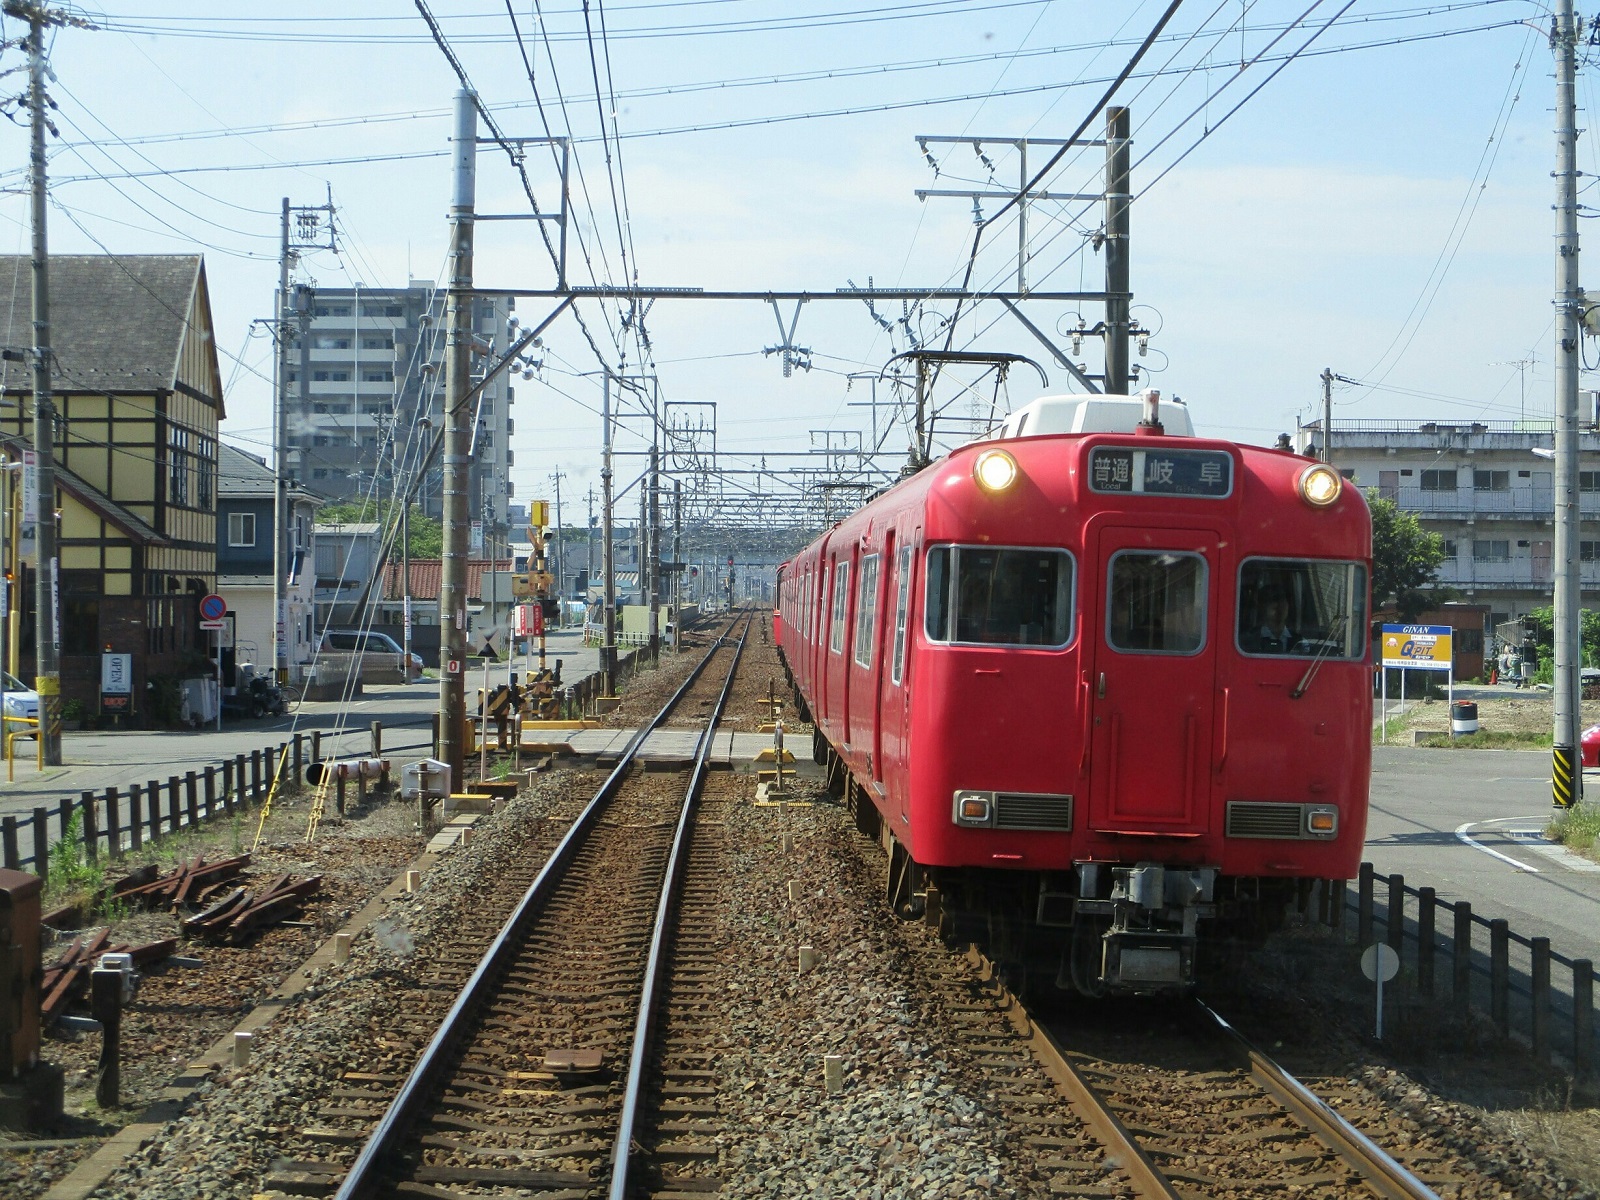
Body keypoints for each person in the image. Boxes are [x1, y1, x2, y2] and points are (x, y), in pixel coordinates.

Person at [1242, 586, 1297, 653]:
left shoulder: (1299, 641)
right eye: (1273, 600)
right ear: (1261, 606)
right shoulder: (1246, 642)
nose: (1279, 605)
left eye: (1283, 600)